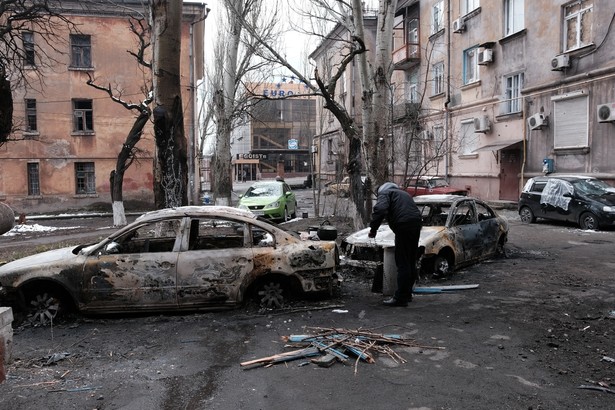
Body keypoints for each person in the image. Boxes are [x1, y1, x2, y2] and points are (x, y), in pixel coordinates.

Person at [368, 182, 422, 307]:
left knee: (402, 262)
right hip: (416, 225)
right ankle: (407, 294)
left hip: (403, 226)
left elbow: (380, 209)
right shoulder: (404, 194)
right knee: (410, 261)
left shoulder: (385, 193)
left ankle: (400, 298)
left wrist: (373, 229)